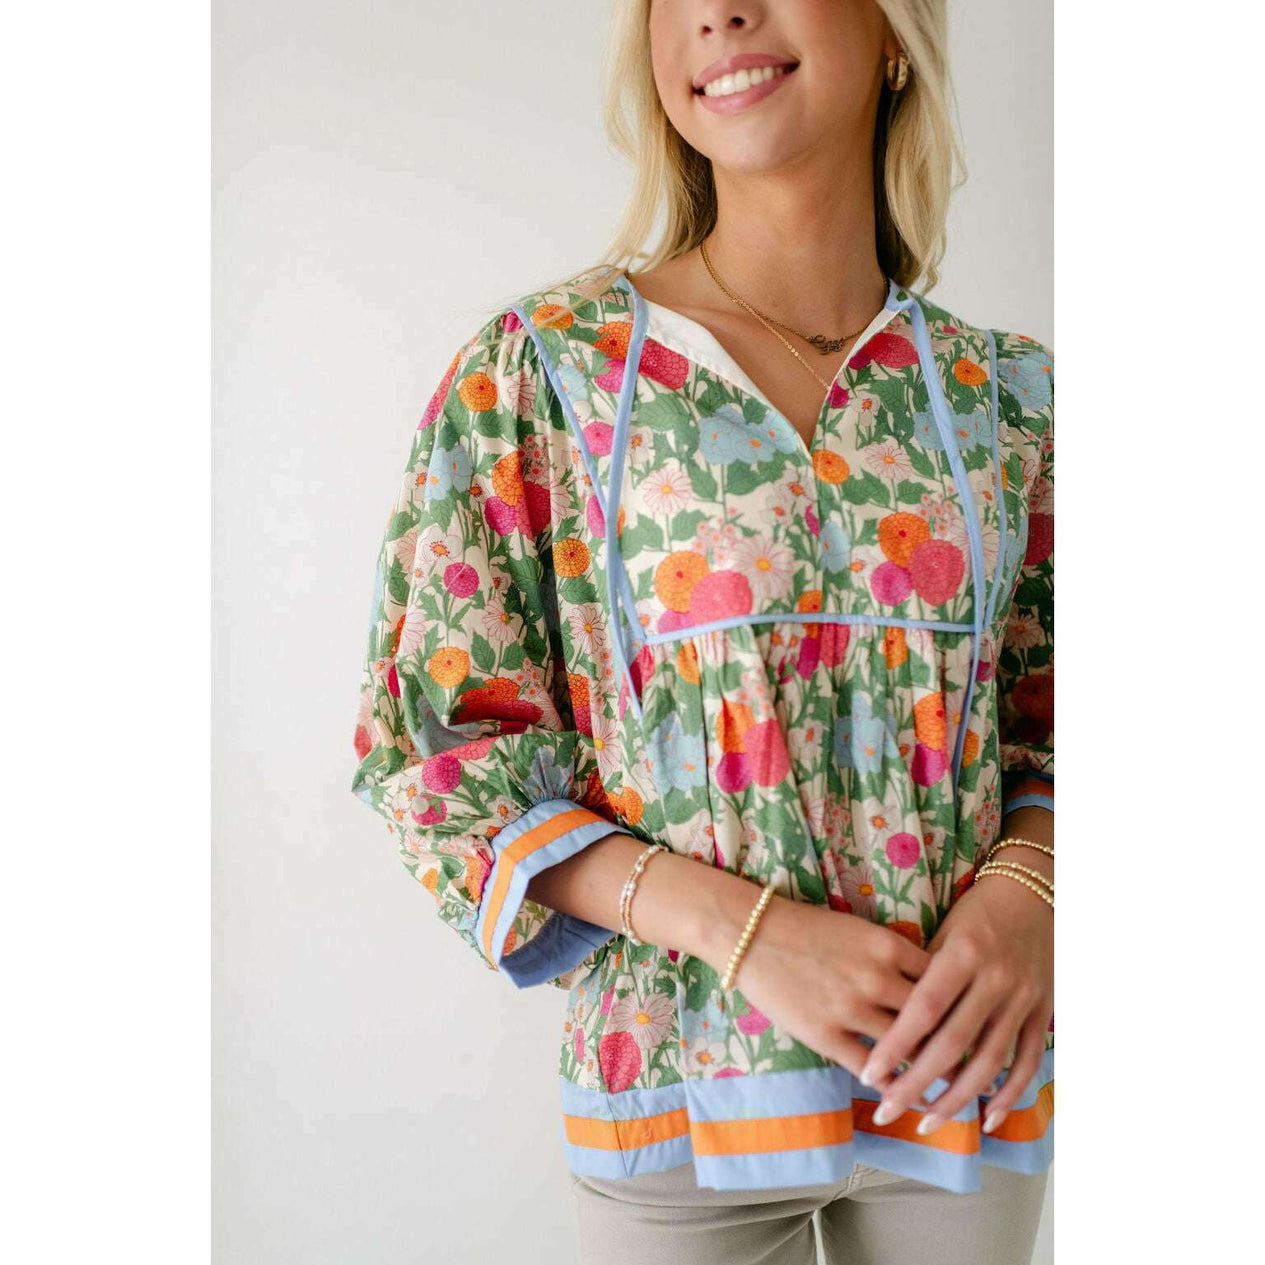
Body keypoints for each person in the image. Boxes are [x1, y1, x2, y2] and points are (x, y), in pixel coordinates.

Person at [350, 1, 1054, 1261]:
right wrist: (749, 933)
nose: (721, 10)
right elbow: (434, 752)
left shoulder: (1008, 399)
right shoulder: (544, 373)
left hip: (965, 1085)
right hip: (676, 1090)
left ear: (892, 35)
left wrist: (1028, 897)